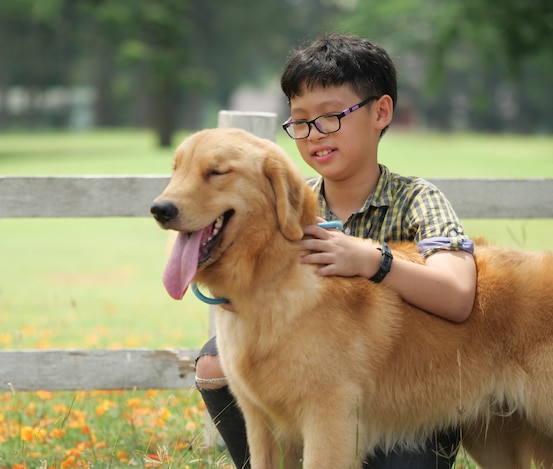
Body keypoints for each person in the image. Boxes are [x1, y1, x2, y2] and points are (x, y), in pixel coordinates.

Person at [195, 33, 477, 468]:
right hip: (306, 391)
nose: (313, 135)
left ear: (380, 112)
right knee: (214, 360)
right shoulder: (291, 201)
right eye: (300, 121)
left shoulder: (418, 199)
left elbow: (458, 296)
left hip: (408, 401)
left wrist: (373, 260)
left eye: (330, 117)